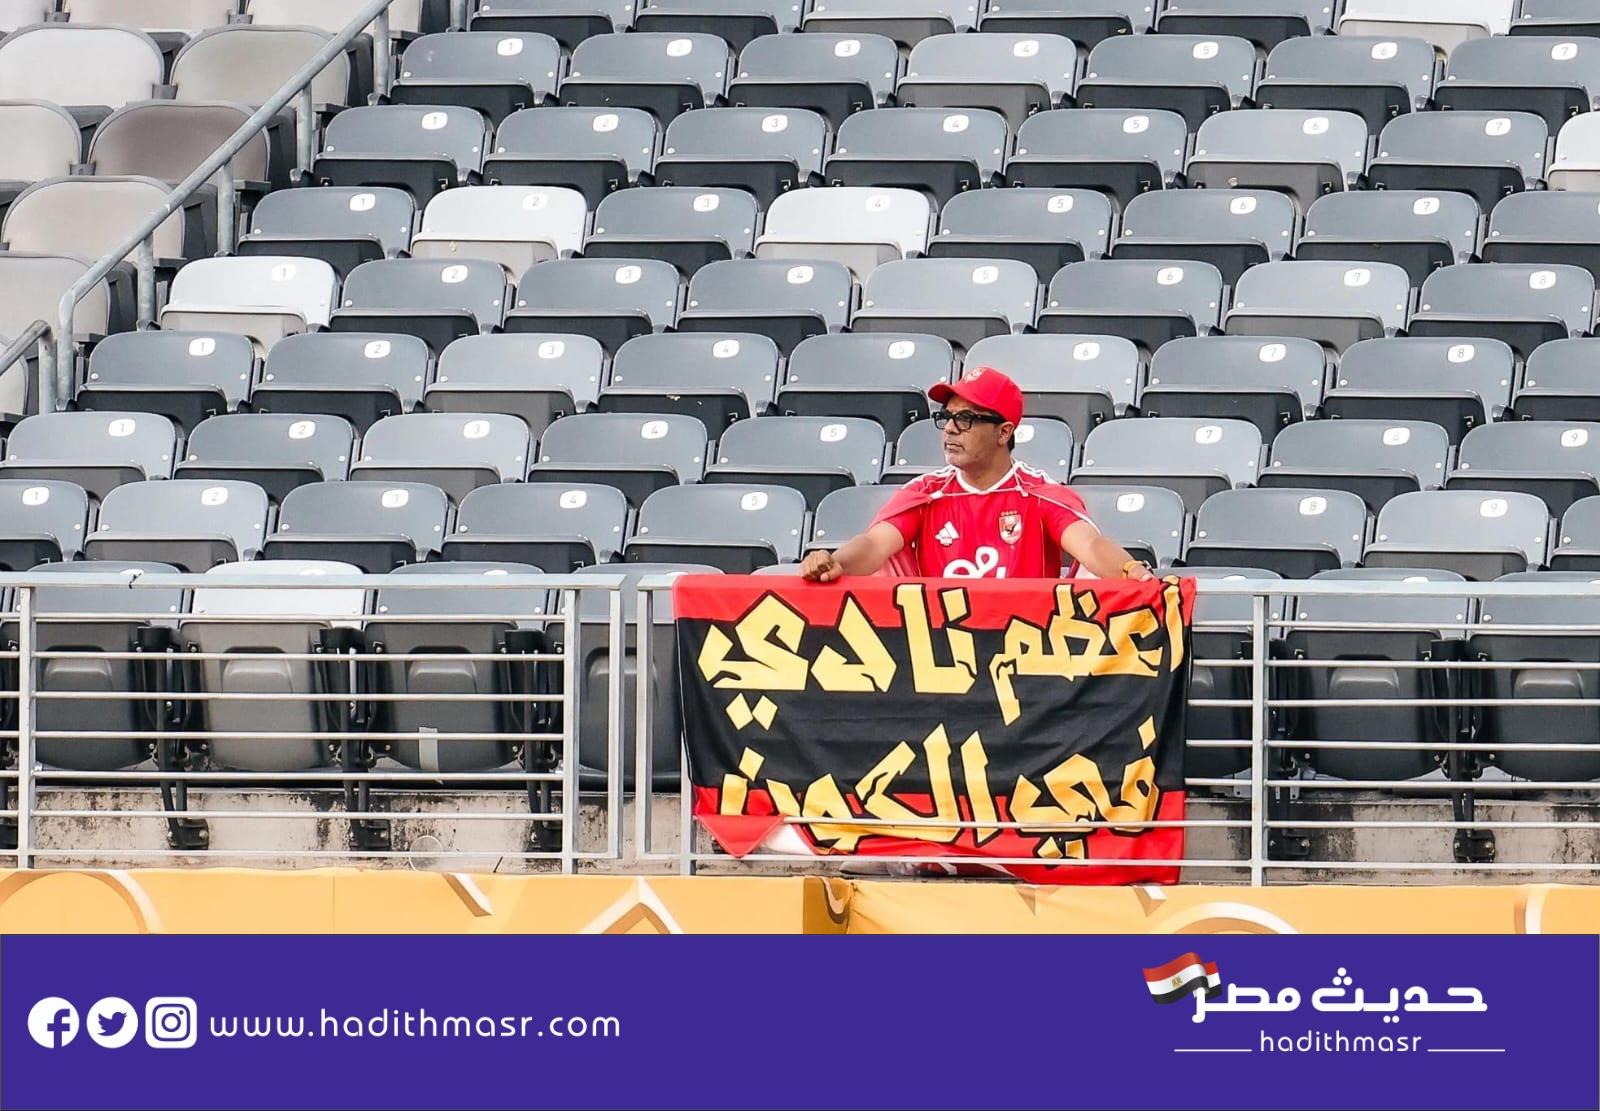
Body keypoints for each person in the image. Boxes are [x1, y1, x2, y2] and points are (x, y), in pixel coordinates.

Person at [799, 365, 1154, 582]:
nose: (950, 429)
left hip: (1025, 641)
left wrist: (1131, 571)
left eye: (966, 419)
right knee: (880, 563)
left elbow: (1089, 546)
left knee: (1101, 575)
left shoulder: (1038, 491)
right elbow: (876, 545)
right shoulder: (926, 491)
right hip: (941, 643)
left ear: (1003, 432)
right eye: (947, 417)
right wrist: (835, 561)